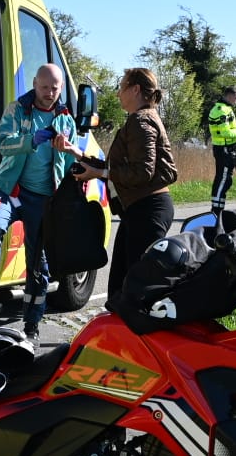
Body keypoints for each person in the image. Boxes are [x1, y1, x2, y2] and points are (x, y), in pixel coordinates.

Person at [0, 63, 77, 340]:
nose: (49, 93)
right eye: (44, 87)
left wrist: (70, 152)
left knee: (38, 267)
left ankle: (32, 326)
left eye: (54, 88)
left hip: (44, 201)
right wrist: (32, 139)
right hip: (11, 190)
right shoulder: (17, 109)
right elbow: (4, 144)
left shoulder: (66, 119)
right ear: (34, 83)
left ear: (61, 88)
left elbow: (70, 165)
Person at [74, 67, 177, 295]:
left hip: (148, 211)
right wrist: (81, 156)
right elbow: (128, 168)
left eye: (122, 87)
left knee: (134, 290)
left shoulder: (141, 121)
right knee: (121, 287)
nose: (118, 94)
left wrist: (99, 174)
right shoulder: (141, 119)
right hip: (140, 210)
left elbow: (142, 172)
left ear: (136, 89)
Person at [206, 87, 236, 205]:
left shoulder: (225, 109)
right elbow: (225, 133)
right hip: (224, 148)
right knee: (223, 179)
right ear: (229, 96)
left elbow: (229, 130)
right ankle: (216, 210)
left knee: (225, 179)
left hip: (226, 148)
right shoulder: (222, 110)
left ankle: (218, 208)